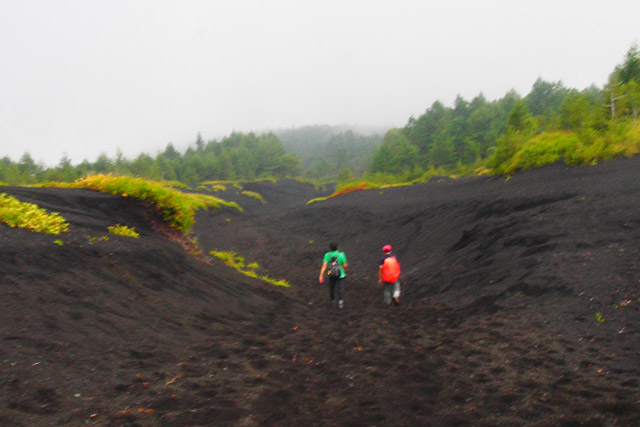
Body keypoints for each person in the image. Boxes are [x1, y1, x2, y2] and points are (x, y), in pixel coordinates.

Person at [319, 242, 348, 308]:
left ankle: (333, 301)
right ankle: (340, 302)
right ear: (337, 247)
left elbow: (324, 266)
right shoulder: (341, 255)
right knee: (340, 289)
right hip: (341, 274)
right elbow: (345, 265)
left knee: (331, 288)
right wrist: (345, 268)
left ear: (330, 248)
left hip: (331, 274)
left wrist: (321, 275)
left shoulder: (327, 255)